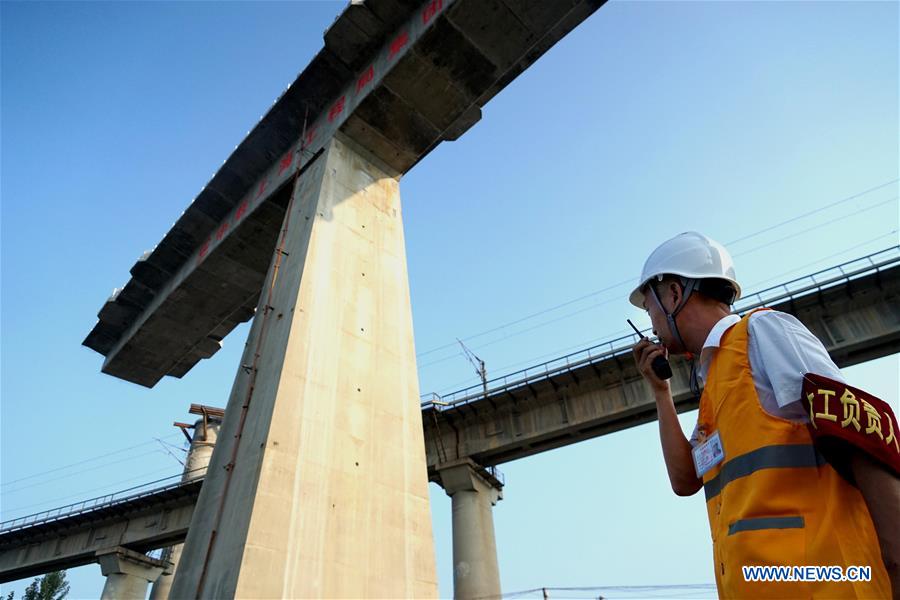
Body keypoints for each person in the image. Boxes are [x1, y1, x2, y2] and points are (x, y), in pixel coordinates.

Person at [629, 231, 899, 599]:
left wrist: (896, 564)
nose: (652, 325)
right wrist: (661, 393)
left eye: (650, 310)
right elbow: (685, 479)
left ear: (674, 294)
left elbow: (863, 431)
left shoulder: (763, 332)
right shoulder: (715, 385)